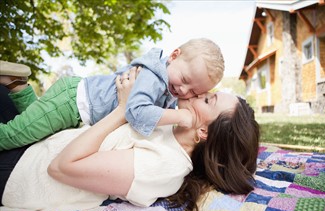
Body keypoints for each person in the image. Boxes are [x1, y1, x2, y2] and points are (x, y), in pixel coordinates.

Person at [0, 68, 259, 211]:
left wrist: (123, 109)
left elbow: (61, 167)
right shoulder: (169, 122)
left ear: (203, 131)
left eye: (208, 101)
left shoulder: (164, 167)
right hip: (39, 144)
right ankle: (18, 88)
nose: (200, 93)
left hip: (21, 171)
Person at [0, 38, 225, 150]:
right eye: (184, 80)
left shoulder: (167, 87)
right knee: (12, 137)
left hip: (75, 101)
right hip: (72, 103)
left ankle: (16, 84)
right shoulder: (154, 77)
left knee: (33, 121)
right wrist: (180, 117)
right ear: (174, 56)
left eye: (194, 91)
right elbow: (135, 112)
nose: (183, 91)